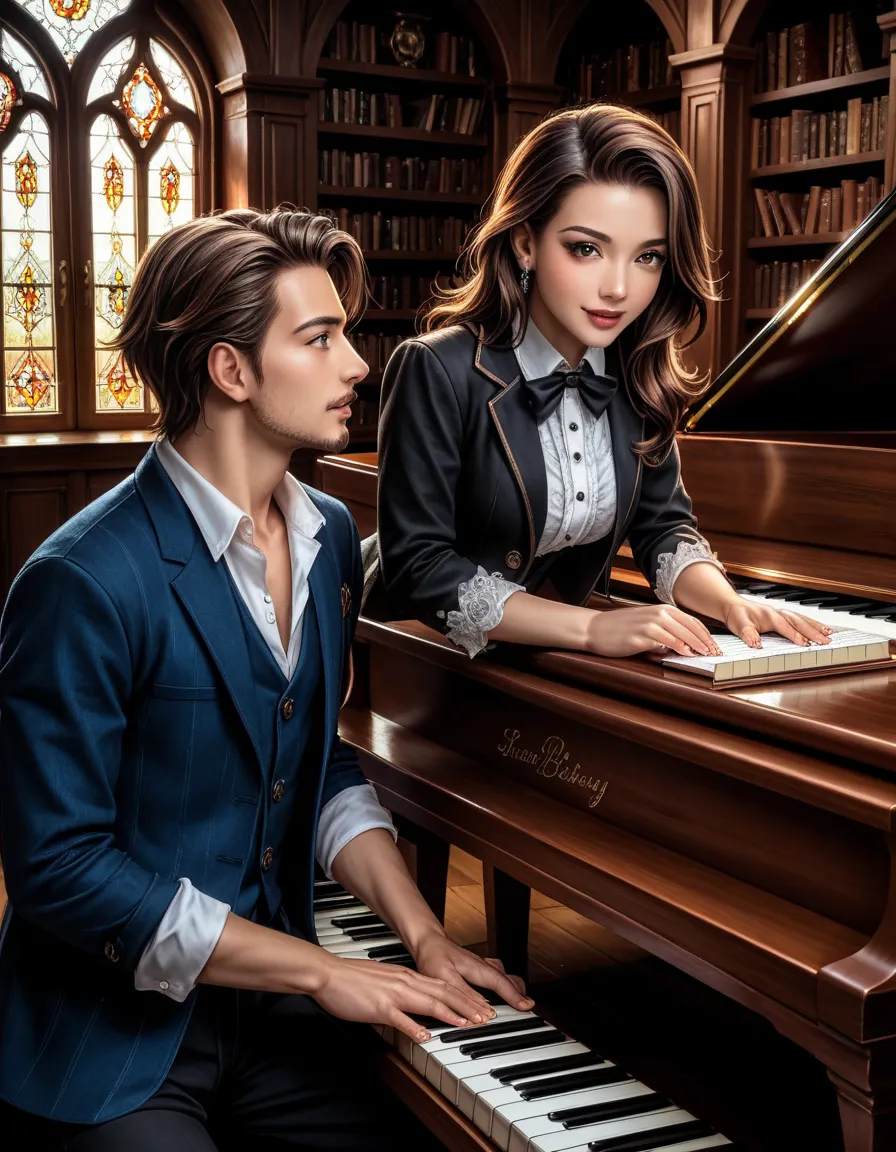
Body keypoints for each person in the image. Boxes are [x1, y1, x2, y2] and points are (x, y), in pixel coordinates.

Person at [0, 207, 531, 1151]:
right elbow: (58, 868)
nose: (358, 365)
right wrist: (320, 972)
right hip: (108, 1040)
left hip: (276, 1017)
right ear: (231, 370)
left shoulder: (332, 541)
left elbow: (317, 764)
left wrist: (423, 933)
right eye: (319, 339)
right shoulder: (78, 582)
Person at [372, 104, 831, 659]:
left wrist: (729, 602)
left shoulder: (636, 369)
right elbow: (419, 567)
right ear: (525, 242)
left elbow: (664, 526)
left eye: (648, 257)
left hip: (550, 658)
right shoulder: (434, 368)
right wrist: (589, 629)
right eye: (586, 248)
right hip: (416, 659)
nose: (619, 287)